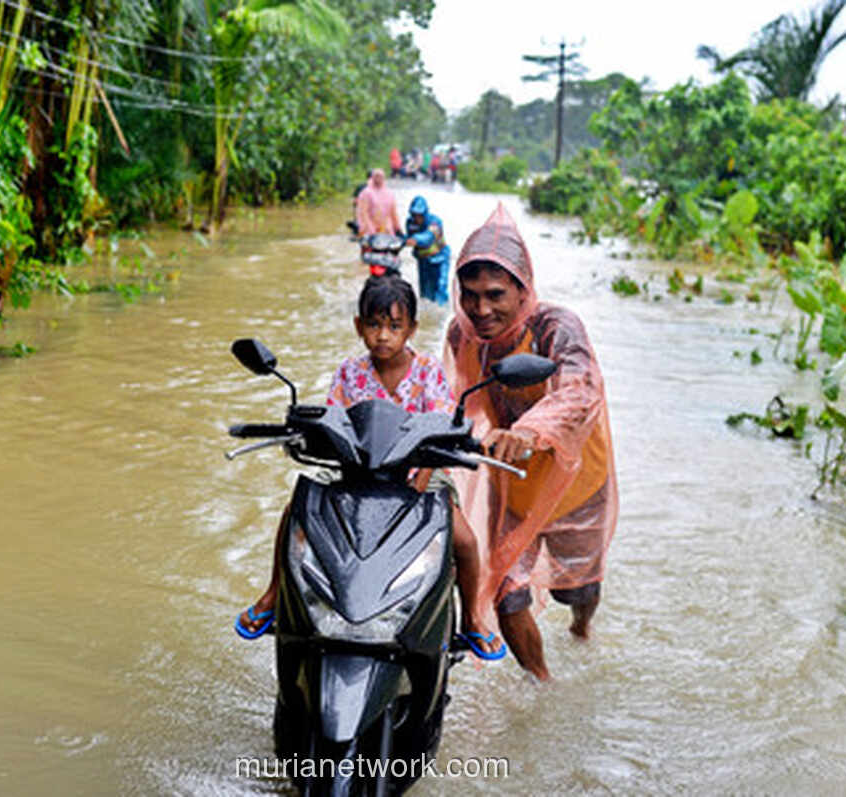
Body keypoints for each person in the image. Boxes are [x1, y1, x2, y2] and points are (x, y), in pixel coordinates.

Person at [237, 276, 505, 660]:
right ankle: (273, 595)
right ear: (359, 326)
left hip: (418, 475)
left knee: (464, 539)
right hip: (353, 474)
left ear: (412, 329)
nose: (383, 336)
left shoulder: (428, 371)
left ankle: (474, 619)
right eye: (375, 325)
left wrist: (421, 479)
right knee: (296, 512)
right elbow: (333, 422)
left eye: (395, 326)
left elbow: (440, 431)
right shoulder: (349, 371)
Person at [442, 203, 618, 681]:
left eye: (496, 294)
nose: (482, 309)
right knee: (505, 589)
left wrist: (527, 432)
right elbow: (451, 398)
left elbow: (580, 391)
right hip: (513, 478)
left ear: (524, 290)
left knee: (579, 589)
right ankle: (542, 684)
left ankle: (582, 630)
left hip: (577, 480)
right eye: (471, 294)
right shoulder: (463, 334)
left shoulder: (556, 328)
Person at [403, 195, 451, 306]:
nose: (417, 218)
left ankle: (443, 313)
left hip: (439, 259)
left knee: (440, 288)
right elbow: (407, 238)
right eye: (414, 215)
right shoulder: (410, 223)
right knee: (425, 293)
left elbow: (428, 237)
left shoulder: (435, 221)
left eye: (420, 215)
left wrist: (415, 239)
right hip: (423, 261)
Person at [356, 168, 402, 237]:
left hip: (386, 229)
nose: (379, 178)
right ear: (372, 177)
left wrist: (398, 228)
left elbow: (393, 213)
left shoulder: (389, 193)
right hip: (369, 229)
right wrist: (369, 228)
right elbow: (363, 212)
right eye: (377, 176)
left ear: (384, 178)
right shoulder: (366, 193)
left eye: (381, 176)